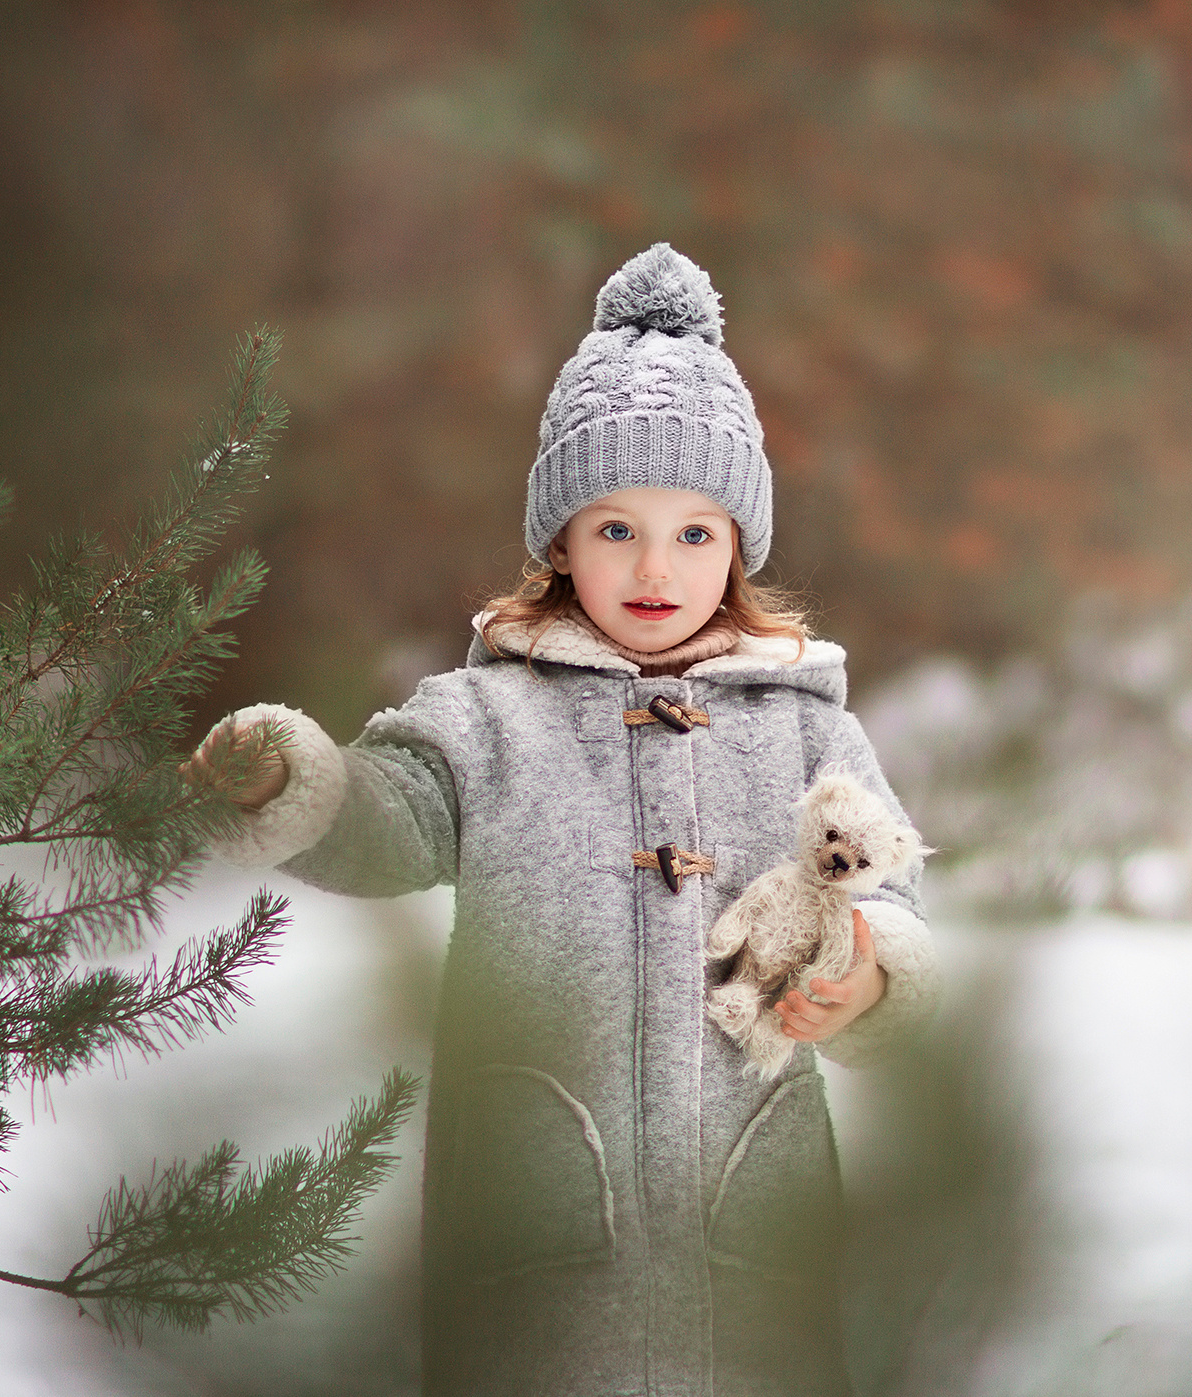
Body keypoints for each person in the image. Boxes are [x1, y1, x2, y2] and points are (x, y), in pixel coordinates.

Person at [186, 243, 937, 1396]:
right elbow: (390, 809)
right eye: (613, 527)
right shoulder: (490, 715)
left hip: (753, 1224)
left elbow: (887, 892)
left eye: (694, 531)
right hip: (536, 1232)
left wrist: (868, 969)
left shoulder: (801, 731)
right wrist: (293, 779)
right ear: (559, 542)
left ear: (738, 543)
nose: (654, 564)